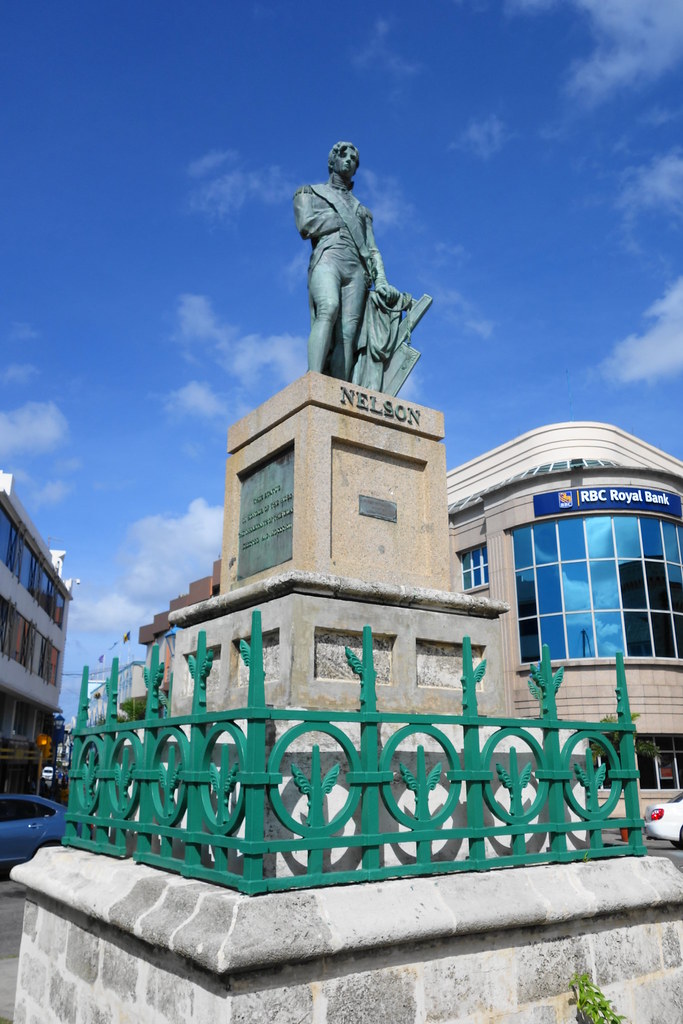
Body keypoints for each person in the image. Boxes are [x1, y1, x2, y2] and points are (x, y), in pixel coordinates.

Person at [293, 141, 401, 382]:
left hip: (357, 271)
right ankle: (314, 382)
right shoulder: (309, 192)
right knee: (328, 308)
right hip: (328, 258)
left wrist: (381, 280)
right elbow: (305, 225)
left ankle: (339, 393)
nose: (350, 160)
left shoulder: (363, 211)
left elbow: (373, 250)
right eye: (344, 155)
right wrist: (341, 218)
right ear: (332, 160)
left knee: (348, 335)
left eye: (354, 159)